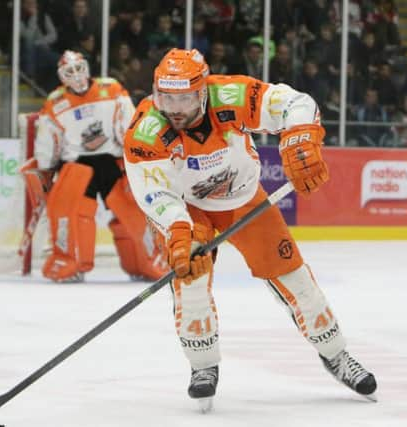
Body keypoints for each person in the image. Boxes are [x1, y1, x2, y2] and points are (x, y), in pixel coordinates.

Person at [123, 48, 377, 410]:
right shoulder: (146, 131)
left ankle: (335, 355)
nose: (174, 108)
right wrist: (177, 233)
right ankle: (203, 366)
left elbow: (295, 103)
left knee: (296, 280)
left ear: (202, 91)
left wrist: (300, 135)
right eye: (166, 98)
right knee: (191, 282)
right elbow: (154, 191)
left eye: (184, 98)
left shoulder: (231, 94)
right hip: (188, 209)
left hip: (245, 200)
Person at [28, 50, 168, 283]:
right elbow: (48, 140)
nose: (76, 75)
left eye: (79, 68)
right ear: (61, 76)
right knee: (70, 215)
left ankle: (148, 262)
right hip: (75, 166)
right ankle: (70, 263)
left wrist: (135, 156)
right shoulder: (55, 103)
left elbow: (128, 125)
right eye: (69, 71)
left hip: (112, 162)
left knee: (133, 213)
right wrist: (46, 168)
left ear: (87, 67)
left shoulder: (111, 89)